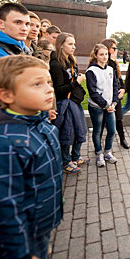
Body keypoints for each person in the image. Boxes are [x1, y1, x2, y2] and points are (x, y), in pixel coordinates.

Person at [0, 55, 63, 259]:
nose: (49, 89)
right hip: (18, 241)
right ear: (7, 95)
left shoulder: (42, 126)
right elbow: (3, 208)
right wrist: (22, 254)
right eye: (37, 84)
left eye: (48, 82)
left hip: (37, 229)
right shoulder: (4, 145)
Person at [49, 33, 88, 174]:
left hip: (74, 102)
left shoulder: (71, 61)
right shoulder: (55, 64)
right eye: (70, 44)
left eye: (74, 44)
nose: (74, 47)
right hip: (64, 103)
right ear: (61, 45)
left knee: (80, 130)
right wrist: (76, 83)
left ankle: (75, 157)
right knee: (67, 133)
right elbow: (58, 90)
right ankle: (66, 162)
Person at [86, 44, 119, 167]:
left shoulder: (110, 69)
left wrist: (114, 102)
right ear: (95, 56)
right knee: (97, 130)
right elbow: (93, 92)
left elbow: (115, 86)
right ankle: (99, 153)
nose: (104, 57)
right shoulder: (91, 71)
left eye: (106, 54)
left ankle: (107, 152)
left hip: (110, 106)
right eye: (101, 54)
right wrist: (105, 105)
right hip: (97, 107)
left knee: (111, 130)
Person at [101, 38, 130, 149]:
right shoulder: (103, 63)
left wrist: (123, 89)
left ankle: (122, 139)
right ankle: (98, 145)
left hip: (116, 97)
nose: (116, 50)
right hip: (104, 98)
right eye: (114, 48)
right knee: (102, 122)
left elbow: (119, 80)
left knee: (118, 119)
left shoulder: (114, 63)